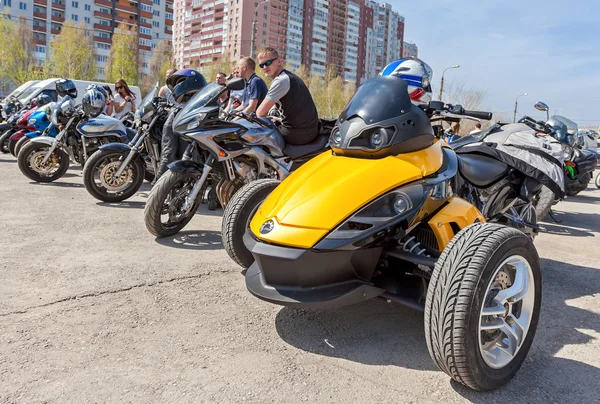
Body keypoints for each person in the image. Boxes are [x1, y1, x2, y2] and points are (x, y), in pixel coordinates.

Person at [256, 47, 319, 145]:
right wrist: (280, 119)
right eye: (261, 65)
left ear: (278, 61)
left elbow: (260, 113)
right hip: (307, 130)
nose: (264, 67)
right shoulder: (289, 76)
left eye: (268, 63)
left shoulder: (281, 80)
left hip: (299, 133)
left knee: (256, 138)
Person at [154, 69, 207, 182]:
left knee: (174, 156)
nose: (178, 86)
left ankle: (160, 182)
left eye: (180, 82)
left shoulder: (200, 102)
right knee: (169, 156)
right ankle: (159, 183)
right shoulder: (179, 109)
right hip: (178, 120)